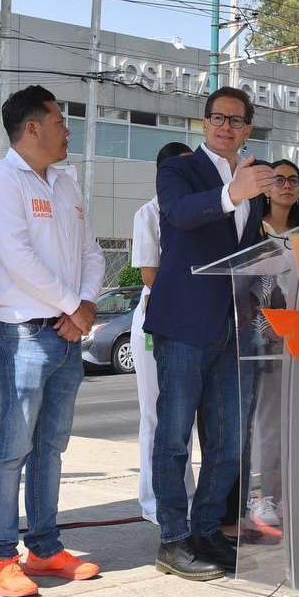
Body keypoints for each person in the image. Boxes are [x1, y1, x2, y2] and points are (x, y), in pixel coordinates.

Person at [0, 85, 105, 597]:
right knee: (13, 448)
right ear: (32, 128)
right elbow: (16, 258)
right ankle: (0, 557)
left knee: (51, 446)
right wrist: (74, 305)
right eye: (59, 120)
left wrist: (83, 306)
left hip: (68, 333)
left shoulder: (66, 183)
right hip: (23, 332)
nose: (67, 130)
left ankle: (45, 548)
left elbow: (91, 250)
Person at [144, 86, 270, 581]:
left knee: (229, 439)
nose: (226, 127)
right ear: (203, 123)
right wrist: (231, 193)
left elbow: (247, 251)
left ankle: (207, 530)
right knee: (174, 437)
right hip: (184, 324)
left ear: (247, 130)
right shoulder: (179, 169)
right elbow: (180, 214)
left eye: (237, 121)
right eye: (218, 118)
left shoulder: (255, 181)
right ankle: (172, 541)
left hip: (235, 328)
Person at [130, 141, 197, 525]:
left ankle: (184, 496)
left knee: (182, 417)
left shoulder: (202, 211)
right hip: (160, 320)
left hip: (194, 323)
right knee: (156, 416)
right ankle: (154, 502)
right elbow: (150, 275)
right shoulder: (149, 213)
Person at [244, 159, 299, 531]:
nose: (286, 185)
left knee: (290, 421)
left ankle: (284, 493)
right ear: (266, 188)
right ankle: (262, 495)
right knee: (265, 420)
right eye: (279, 179)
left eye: (293, 180)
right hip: (262, 337)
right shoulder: (254, 232)